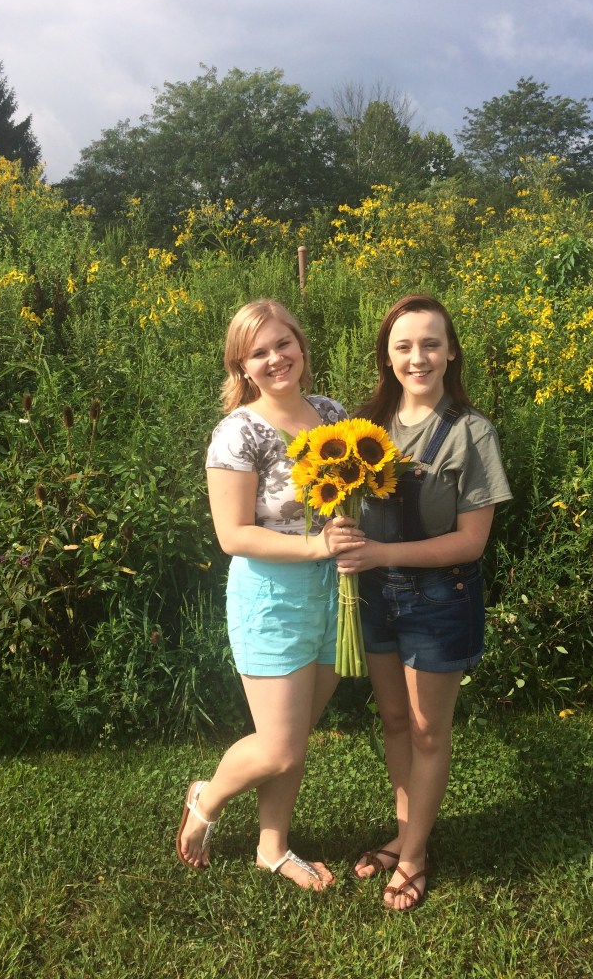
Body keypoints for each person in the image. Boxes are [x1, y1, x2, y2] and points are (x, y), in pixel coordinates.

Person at [176, 299, 362, 889]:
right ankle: (207, 798)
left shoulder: (332, 414)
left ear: (302, 347)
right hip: (272, 598)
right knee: (280, 746)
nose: (275, 358)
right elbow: (232, 535)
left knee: (296, 736)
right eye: (259, 352)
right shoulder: (239, 432)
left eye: (284, 344)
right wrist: (317, 548)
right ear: (243, 367)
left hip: (337, 594)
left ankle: (272, 846)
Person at [336, 293, 512, 911]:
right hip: (376, 598)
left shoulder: (472, 433)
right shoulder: (363, 429)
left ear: (451, 351)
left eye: (431, 344)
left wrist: (381, 556)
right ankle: (406, 833)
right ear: (387, 356)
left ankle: (413, 856)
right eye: (405, 346)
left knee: (429, 732)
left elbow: (471, 541)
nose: (419, 357)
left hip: (441, 598)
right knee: (393, 722)